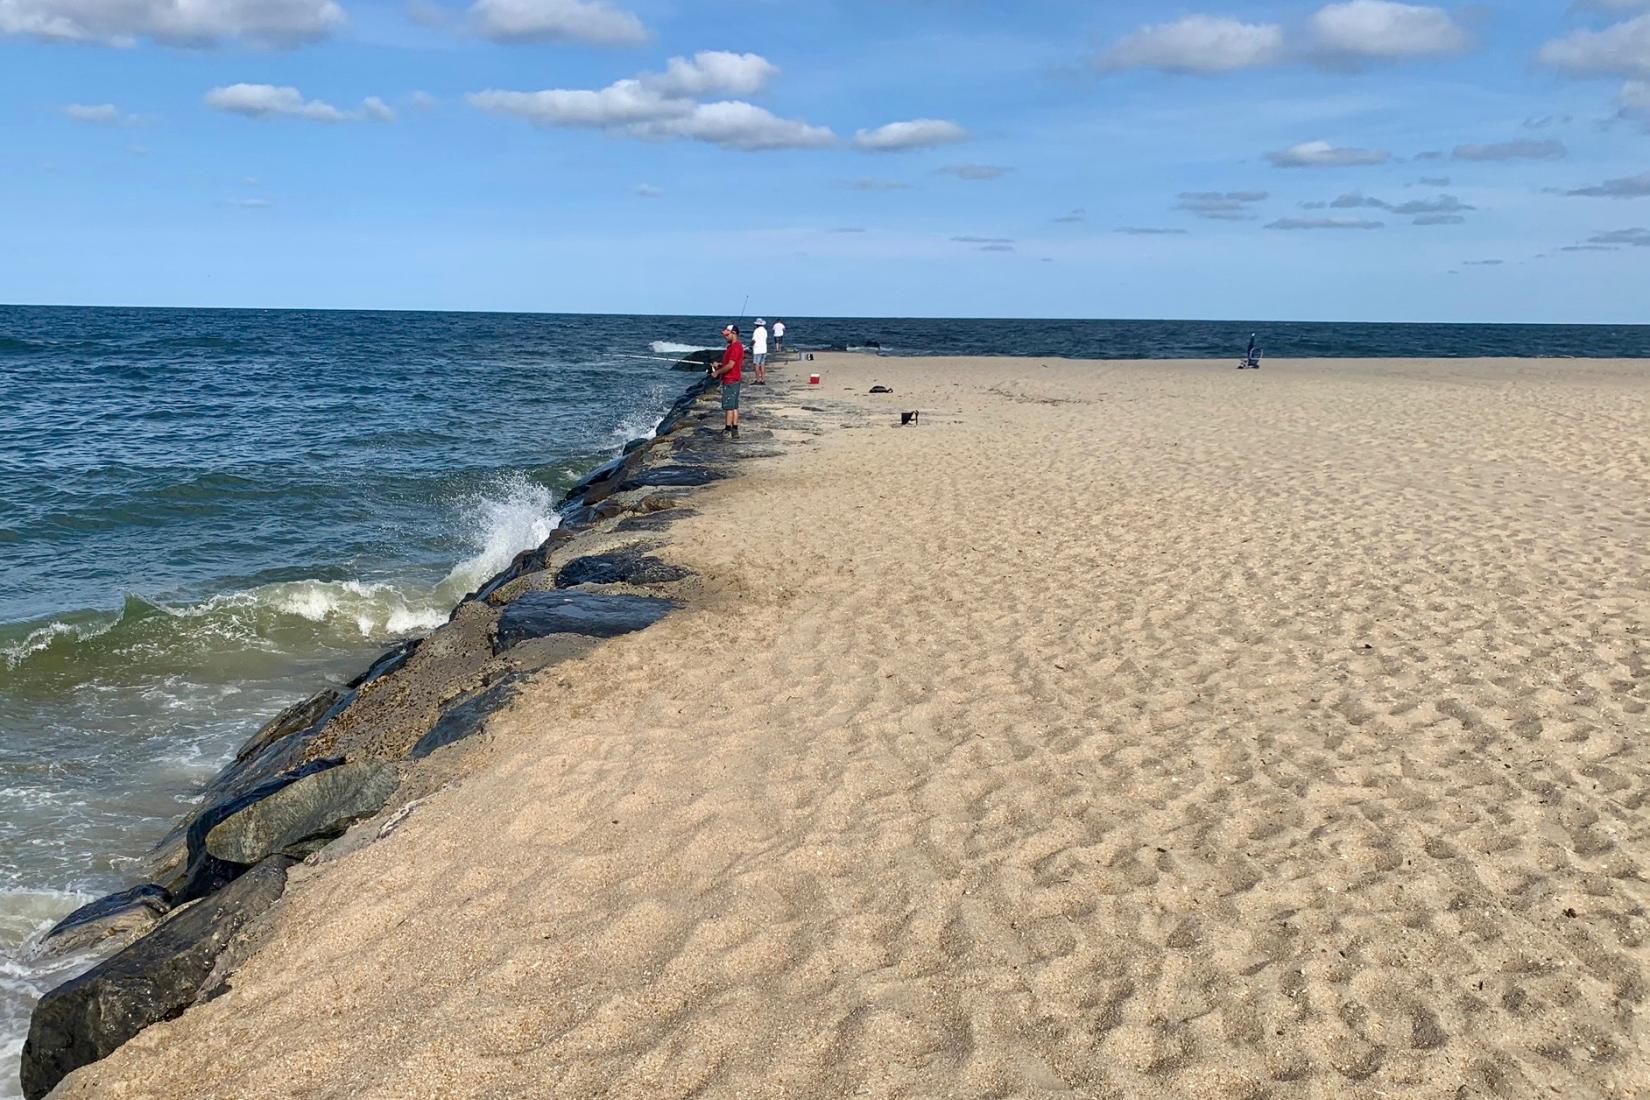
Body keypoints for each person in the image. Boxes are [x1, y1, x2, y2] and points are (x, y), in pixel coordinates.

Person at [710, 323, 744, 437]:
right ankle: (735, 429)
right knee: (734, 405)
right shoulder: (732, 347)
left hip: (731, 380)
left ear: (733, 334)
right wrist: (719, 365)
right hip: (734, 379)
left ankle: (728, 429)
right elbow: (728, 364)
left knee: (729, 406)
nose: (725, 337)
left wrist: (717, 372)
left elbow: (730, 365)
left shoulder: (735, 347)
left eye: (727, 335)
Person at [751, 318, 769, 385]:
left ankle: (758, 380)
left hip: (757, 350)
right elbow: (766, 339)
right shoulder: (765, 330)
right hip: (764, 349)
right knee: (762, 364)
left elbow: (754, 340)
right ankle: (763, 380)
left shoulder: (756, 331)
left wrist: (750, 345)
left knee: (756, 365)